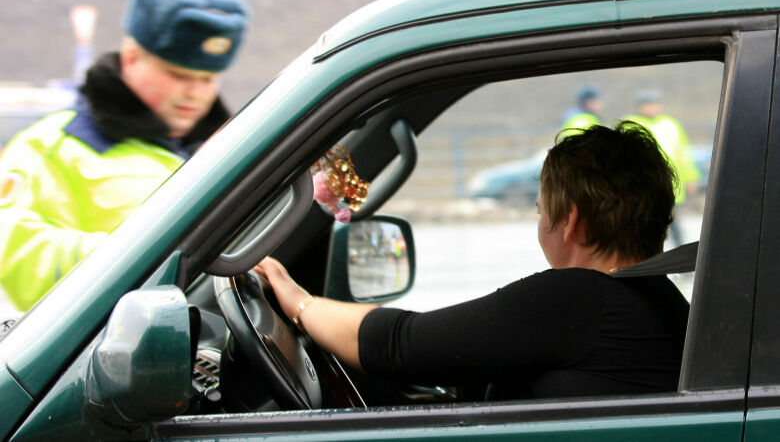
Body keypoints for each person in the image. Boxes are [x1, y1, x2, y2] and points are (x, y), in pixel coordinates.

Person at [256, 122, 690, 401]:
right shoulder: (662, 301)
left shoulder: (580, 298)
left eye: (542, 211)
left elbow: (399, 345)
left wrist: (297, 302)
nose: (540, 224)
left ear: (571, 220)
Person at [0, 0, 250, 311]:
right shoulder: (51, 147)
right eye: (178, 75)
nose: (195, 93)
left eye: (207, 78)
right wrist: (146, 258)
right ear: (131, 57)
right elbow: (16, 259)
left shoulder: (228, 149)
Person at [625, 89, 701, 246]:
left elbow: (683, 154)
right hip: (643, 186)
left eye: (656, 104)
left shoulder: (671, 125)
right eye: (649, 105)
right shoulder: (630, 124)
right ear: (640, 107)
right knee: (643, 223)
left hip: (672, 185)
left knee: (673, 222)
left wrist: (691, 178)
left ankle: (680, 254)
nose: (653, 108)